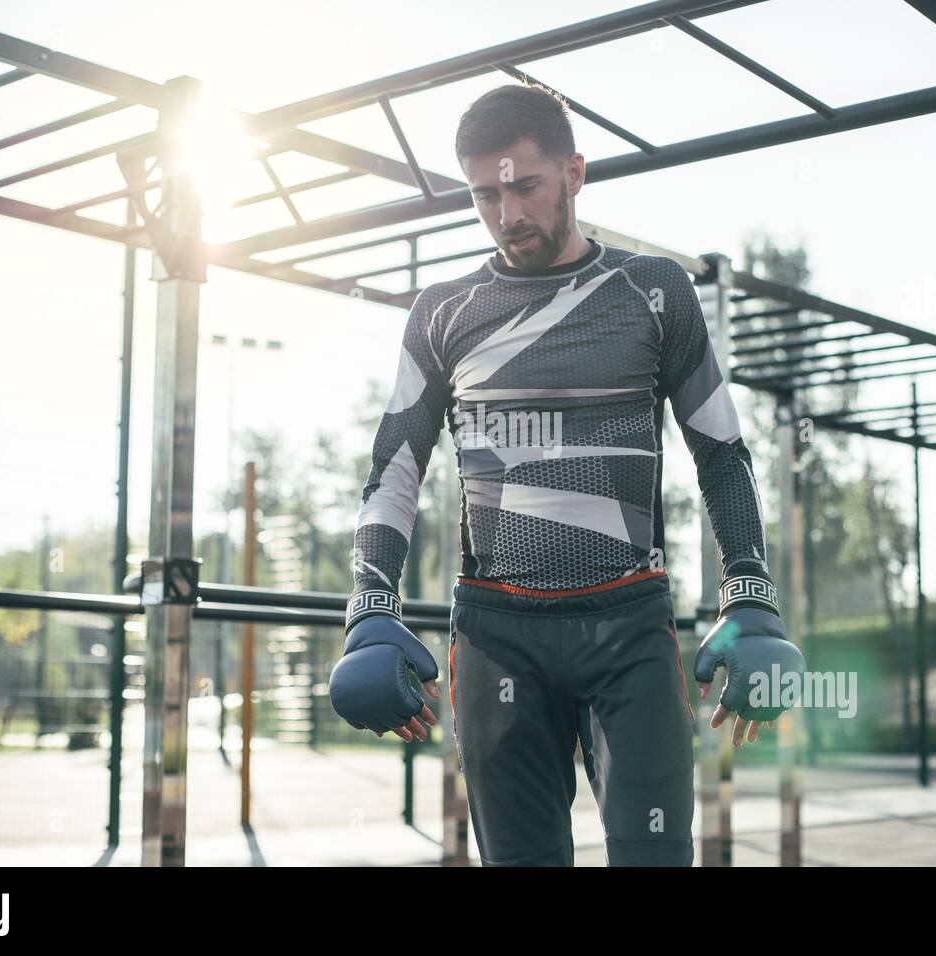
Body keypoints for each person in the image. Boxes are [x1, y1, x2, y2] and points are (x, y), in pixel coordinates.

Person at [329, 83, 804, 866]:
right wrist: (368, 607)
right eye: (485, 195)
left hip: (629, 624)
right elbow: (394, 466)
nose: (508, 214)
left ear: (575, 173)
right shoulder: (442, 312)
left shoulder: (656, 292)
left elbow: (721, 452)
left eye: (525, 187)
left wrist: (751, 599)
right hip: (495, 633)